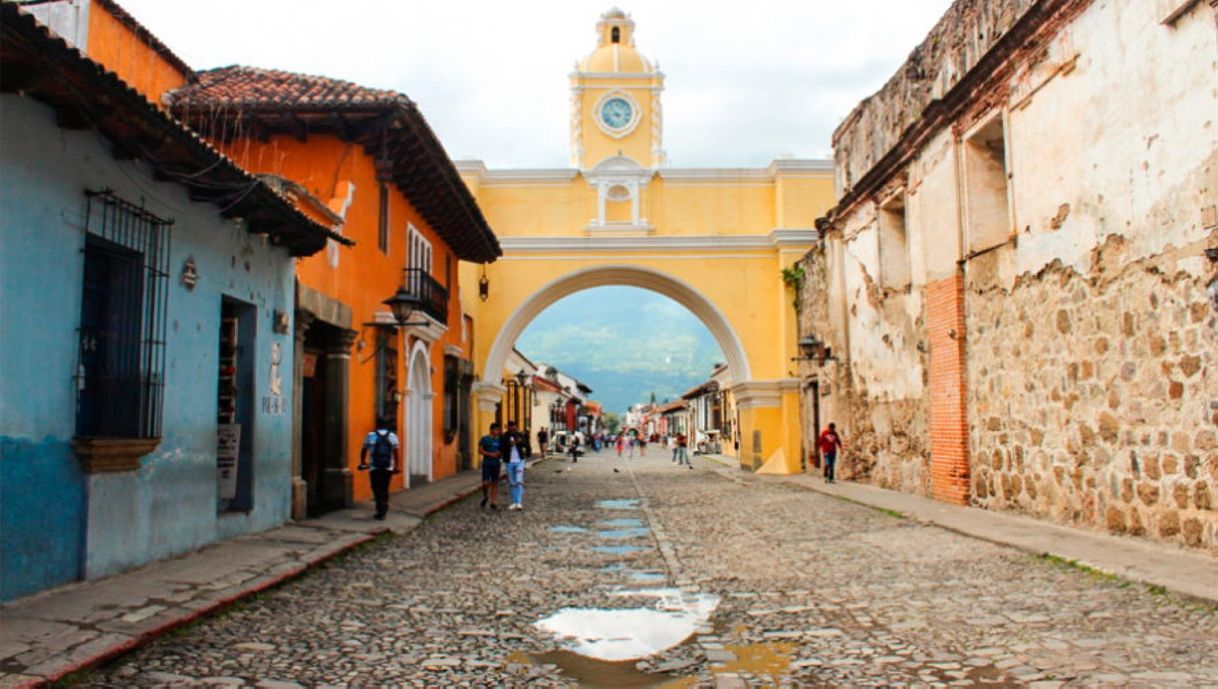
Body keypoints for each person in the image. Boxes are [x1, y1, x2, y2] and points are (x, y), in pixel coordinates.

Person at [358, 417, 400, 520]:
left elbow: (364, 449)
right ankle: (384, 507)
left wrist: (363, 462)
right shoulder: (392, 436)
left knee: (376, 488)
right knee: (385, 488)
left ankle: (380, 508)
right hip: (388, 467)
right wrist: (397, 466)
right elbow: (396, 452)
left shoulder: (370, 436)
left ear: (377, 424)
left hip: (374, 467)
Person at [479, 423, 503, 509]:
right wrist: (490, 454)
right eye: (497, 430)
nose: (498, 431)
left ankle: (493, 502)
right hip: (487, 463)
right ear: (492, 430)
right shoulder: (485, 439)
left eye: (498, 430)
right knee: (485, 483)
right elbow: (480, 451)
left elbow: (502, 452)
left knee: (495, 483)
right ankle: (485, 496)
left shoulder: (500, 440)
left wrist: (500, 453)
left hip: (496, 463)